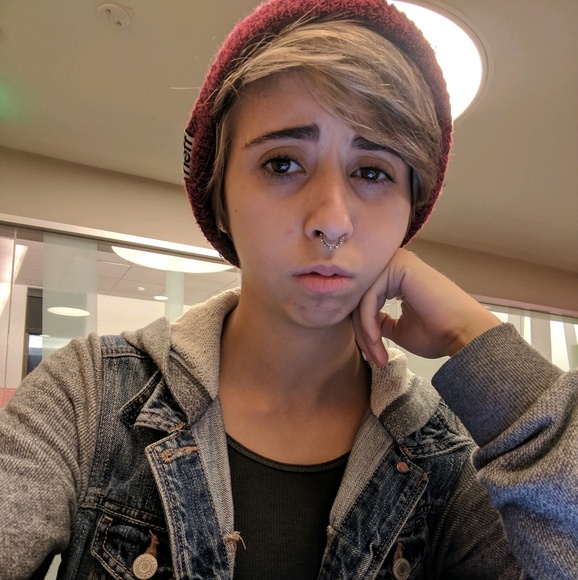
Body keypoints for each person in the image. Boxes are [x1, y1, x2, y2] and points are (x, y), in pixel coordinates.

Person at [0, 0, 576, 578]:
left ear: (410, 211)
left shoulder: (447, 462)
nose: (332, 220)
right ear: (219, 198)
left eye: (372, 171)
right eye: (282, 164)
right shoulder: (89, 396)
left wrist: (476, 338)